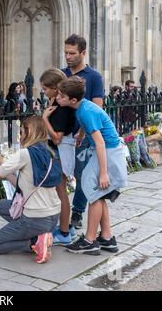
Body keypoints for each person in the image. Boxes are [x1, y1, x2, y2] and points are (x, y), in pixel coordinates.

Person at [56, 76, 128, 255]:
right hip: (106, 152)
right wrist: (80, 135)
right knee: (99, 193)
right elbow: (85, 124)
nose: (58, 98)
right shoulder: (82, 107)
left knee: (94, 192)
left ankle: (89, 240)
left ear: (73, 100)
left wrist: (103, 173)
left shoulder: (86, 111)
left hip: (108, 153)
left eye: (61, 96)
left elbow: (100, 142)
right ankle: (106, 237)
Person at [0, 116, 63, 264]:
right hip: (53, 217)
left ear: (29, 131)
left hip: (35, 218)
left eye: (22, 131)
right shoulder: (50, 153)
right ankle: (41, 235)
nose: (20, 135)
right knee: (1, 205)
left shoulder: (25, 154)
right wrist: (2, 164)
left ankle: (34, 242)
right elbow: (25, 184)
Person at [61, 34, 105, 230]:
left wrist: (84, 133)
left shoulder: (94, 77)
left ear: (83, 53)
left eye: (72, 53)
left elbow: (97, 107)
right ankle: (59, 214)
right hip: (61, 134)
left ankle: (77, 212)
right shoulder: (62, 74)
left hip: (83, 136)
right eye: (65, 53)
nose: (68, 57)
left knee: (81, 174)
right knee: (59, 175)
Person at [40, 69, 77, 246]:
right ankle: (65, 226)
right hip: (56, 152)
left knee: (61, 192)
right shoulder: (55, 103)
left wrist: (44, 119)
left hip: (60, 152)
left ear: (55, 89)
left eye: (45, 89)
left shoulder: (62, 109)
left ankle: (63, 233)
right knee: (59, 192)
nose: (43, 92)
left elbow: (57, 137)